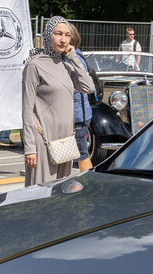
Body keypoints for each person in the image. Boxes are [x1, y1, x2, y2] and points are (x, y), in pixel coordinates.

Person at [21, 16, 93, 186]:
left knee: (59, 195)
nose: (63, 39)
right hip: (43, 141)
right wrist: (30, 148)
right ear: (48, 36)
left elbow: (88, 87)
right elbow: (27, 108)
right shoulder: (34, 66)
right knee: (39, 195)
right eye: (58, 34)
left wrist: (73, 57)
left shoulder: (67, 65)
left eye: (67, 35)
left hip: (65, 142)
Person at [68, 24, 93, 171]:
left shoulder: (75, 58)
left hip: (77, 116)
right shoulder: (74, 55)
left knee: (82, 155)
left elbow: (81, 85)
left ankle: (88, 186)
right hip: (77, 114)